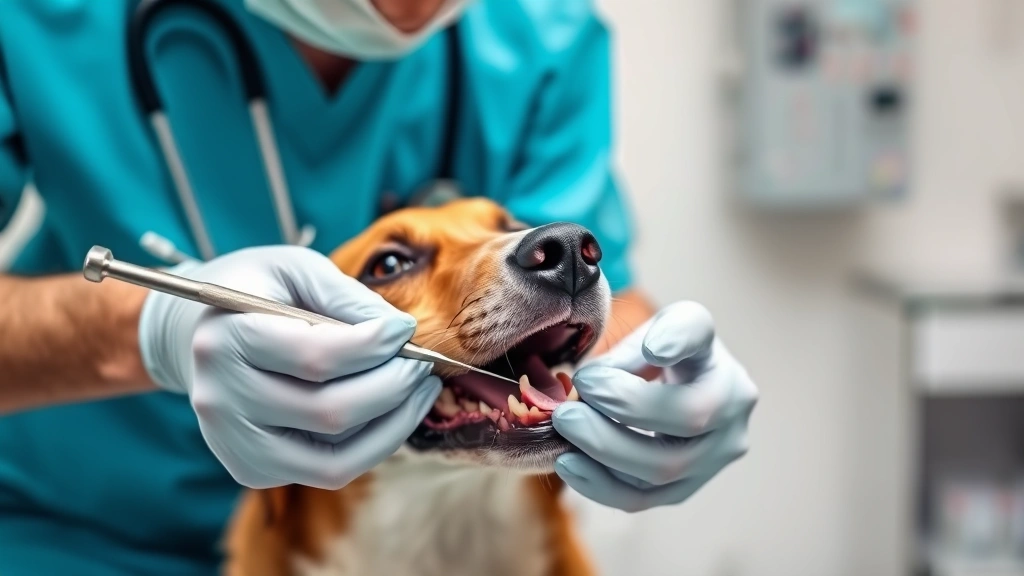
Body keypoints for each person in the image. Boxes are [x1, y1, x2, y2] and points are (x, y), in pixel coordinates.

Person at [0, 0, 759, 574]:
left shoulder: (541, 33)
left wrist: (656, 376)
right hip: (78, 534)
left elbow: (605, 289)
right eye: (394, 263)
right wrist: (151, 325)